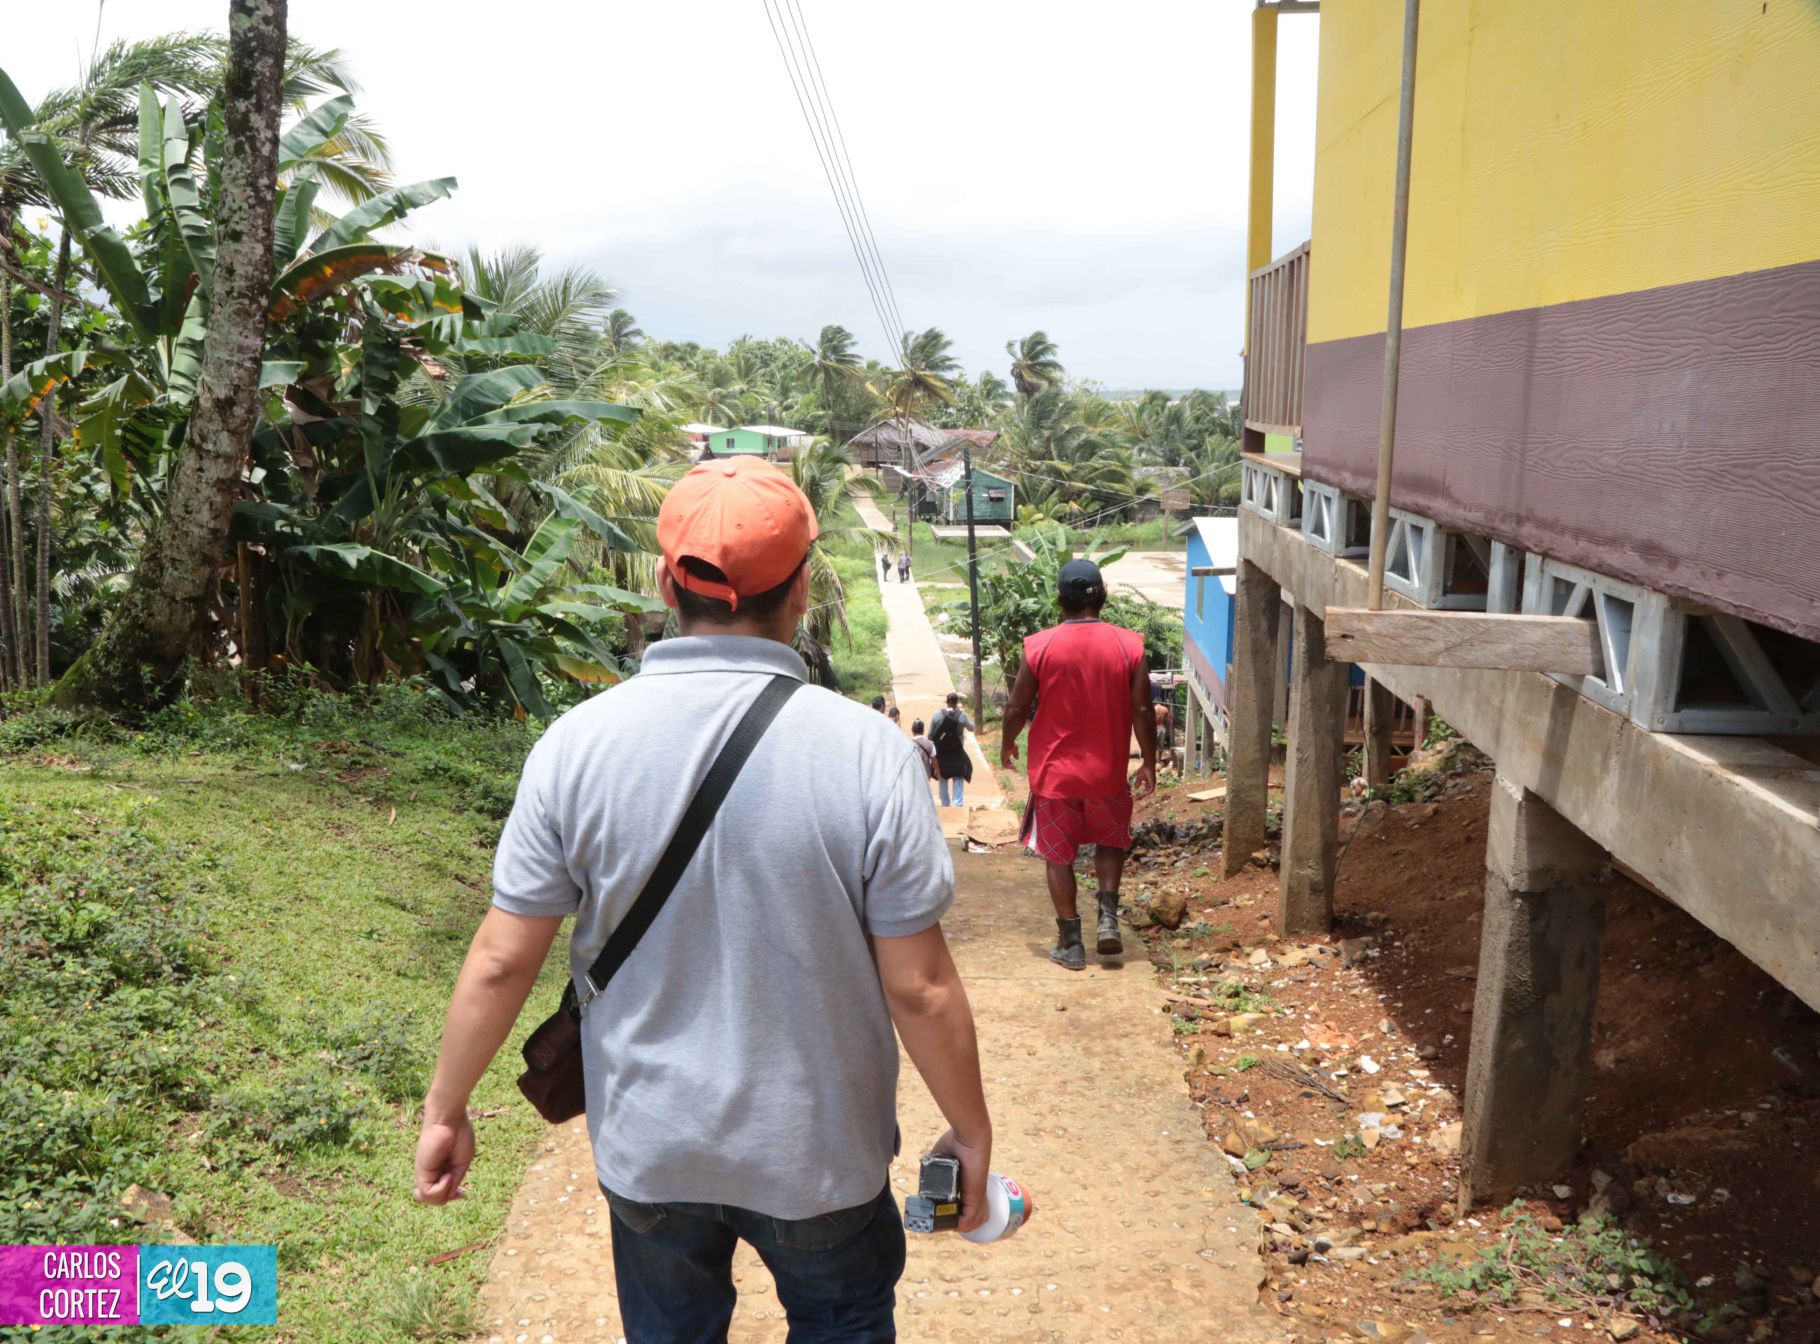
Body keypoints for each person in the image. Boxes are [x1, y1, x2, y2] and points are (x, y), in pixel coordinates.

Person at [414, 457, 994, 1341]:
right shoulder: (868, 754)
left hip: (654, 1153)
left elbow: (501, 959)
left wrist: (445, 1109)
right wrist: (969, 1129)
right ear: (802, 592)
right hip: (822, 1159)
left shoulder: (576, 747)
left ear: (662, 582)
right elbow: (918, 987)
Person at [999, 558, 1157, 972]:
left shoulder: (1039, 646)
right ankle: (1107, 918)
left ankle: (1071, 944)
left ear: (1059, 600)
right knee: (1110, 840)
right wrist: (1149, 762)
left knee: (1059, 855)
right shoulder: (1130, 645)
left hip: (1055, 774)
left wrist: (1007, 743)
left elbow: (1016, 706)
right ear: (1103, 597)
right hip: (1107, 771)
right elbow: (1142, 709)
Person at [929, 692, 974, 808]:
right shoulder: (962, 716)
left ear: (946, 701)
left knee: (942, 777)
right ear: (957, 702)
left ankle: (945, 803)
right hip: (956, 751)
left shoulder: (937, 715)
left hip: (941, 752)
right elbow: (972, 728)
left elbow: (930, 735)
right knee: (958, 776)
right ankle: (957, 803)